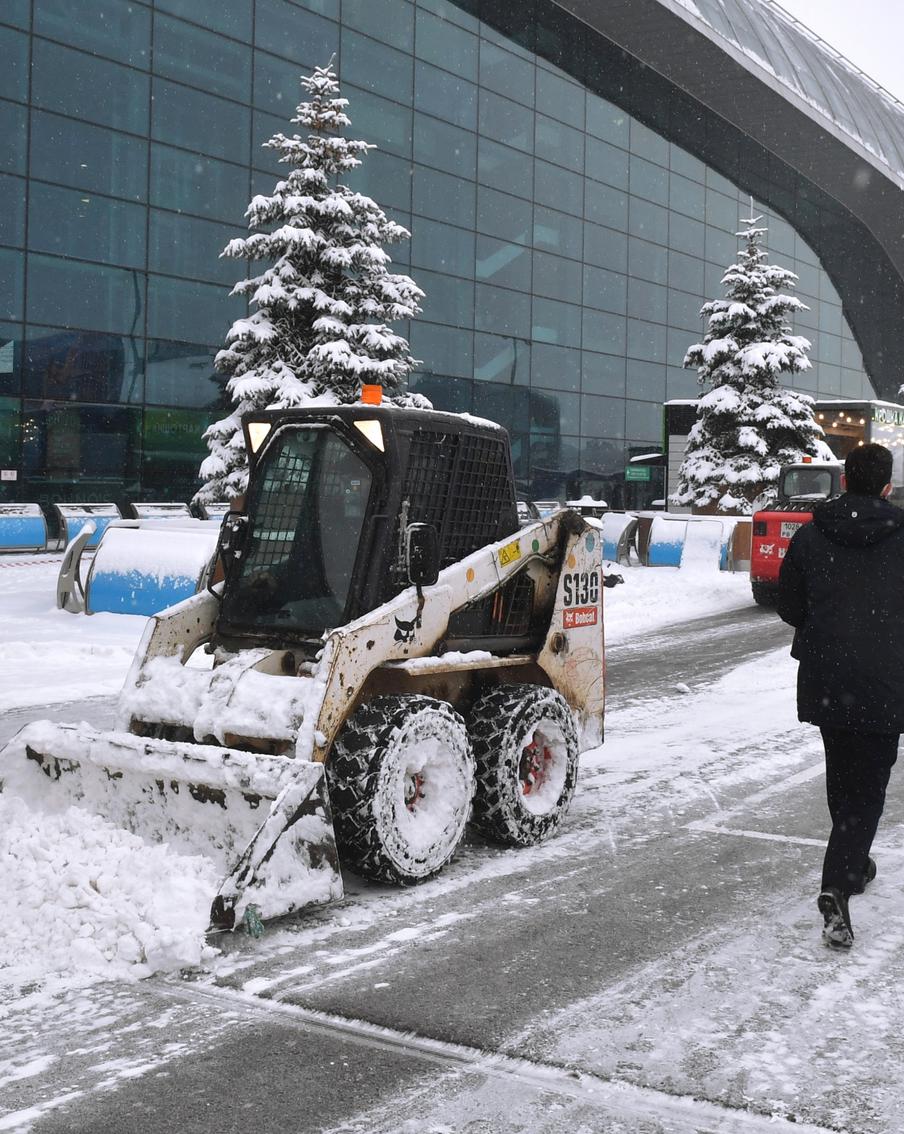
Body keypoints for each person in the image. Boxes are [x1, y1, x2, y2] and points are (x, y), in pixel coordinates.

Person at [777, 442, 904, 949]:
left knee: (842, 772)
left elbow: (788, 604)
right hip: (886, 678)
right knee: (869, 788)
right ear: (888, 485)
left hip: (828, 677)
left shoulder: (811, 534)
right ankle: (838, 882)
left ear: (844, 481)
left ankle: (853, 865)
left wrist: (828, 627)